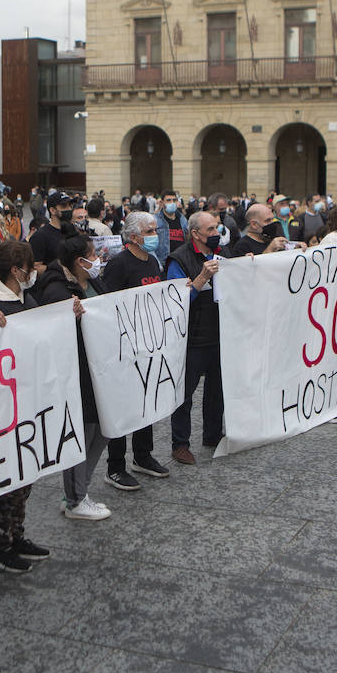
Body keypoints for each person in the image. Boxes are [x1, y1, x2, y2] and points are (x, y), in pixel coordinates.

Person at [0, 240, 52, 573]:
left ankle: (15, 535)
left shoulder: (22, 297)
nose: (36, 271)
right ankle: (0, 545)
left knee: (24, 476)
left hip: (25, 399)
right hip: (2, 407)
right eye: (32, 266)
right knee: (8, 478)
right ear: (17, 271)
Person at [34, 235, 112, 519]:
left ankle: (80, 490)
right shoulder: (56, 290)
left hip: (98, 367)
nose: (98, 260)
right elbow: (50, 329)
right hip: (76, 371)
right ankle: (76, 498)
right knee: (83, 433)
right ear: (81, 261)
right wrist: (70, 318)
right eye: (94, 255)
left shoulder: (92, 283)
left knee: (104, 429)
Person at [99, 211, 171, 485]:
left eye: (155, 230)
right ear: (133, 237)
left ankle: (143, 456)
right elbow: (109, 304)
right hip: (125, 346)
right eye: (150, 231)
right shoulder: (120, 264)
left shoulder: (152, 261)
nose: (155, 236)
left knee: (145, 400)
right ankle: (115, 467)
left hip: (148, 343)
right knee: (121, 407)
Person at [164, 210, 228, 464]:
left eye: (217, 228)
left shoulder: (224, 254)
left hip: (219, 332)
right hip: (192, 337)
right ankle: (180, 443)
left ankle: (212, 434)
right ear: (195, 234)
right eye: (210, 230)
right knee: (185, 393)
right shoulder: (178, 260)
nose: (216, 234)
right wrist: (202, 277)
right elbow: (176, 300)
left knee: (217, 390)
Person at [29, 191, 77, 269]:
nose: (69, 209)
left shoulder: (74, 231)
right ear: (52, 210)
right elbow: (34, 267)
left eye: (70, 205)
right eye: (64, 206)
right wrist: (59, 270)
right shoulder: (40, 236)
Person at [153, 190, 189, 267]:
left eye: (174, 200)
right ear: (162, 203)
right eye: (168, 200)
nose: (172, 203)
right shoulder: (155, 220)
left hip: (181, 262)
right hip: (165, 263)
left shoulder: (182, 219)